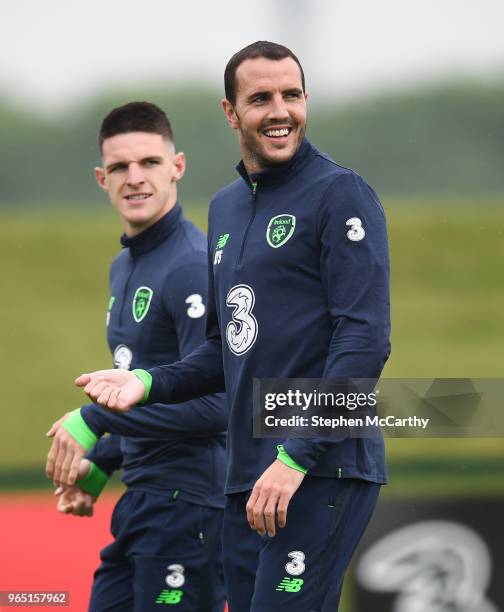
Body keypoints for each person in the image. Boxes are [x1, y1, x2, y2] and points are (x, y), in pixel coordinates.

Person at [76, 42, 391, 611]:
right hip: (246, 478)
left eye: (291, 95)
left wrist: (295, 457)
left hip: (321, 466)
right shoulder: (225, 208)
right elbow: (225, 350)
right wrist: (147, 383)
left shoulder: (340, 194)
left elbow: (364, 343)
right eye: (261, 98)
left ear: (305, 100)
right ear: (230, 112)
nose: (280, 111)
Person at [45, 101, 228, 612]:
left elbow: (221, 406)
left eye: (149, 162)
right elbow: (141, 391)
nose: (135, 178)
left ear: (178, 167)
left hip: (190, 504)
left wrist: (95, 420)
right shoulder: (123, 266)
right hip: (143, 503)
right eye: (120, 167)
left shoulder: (192, 265)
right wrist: (101, 465)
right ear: (102, 178)